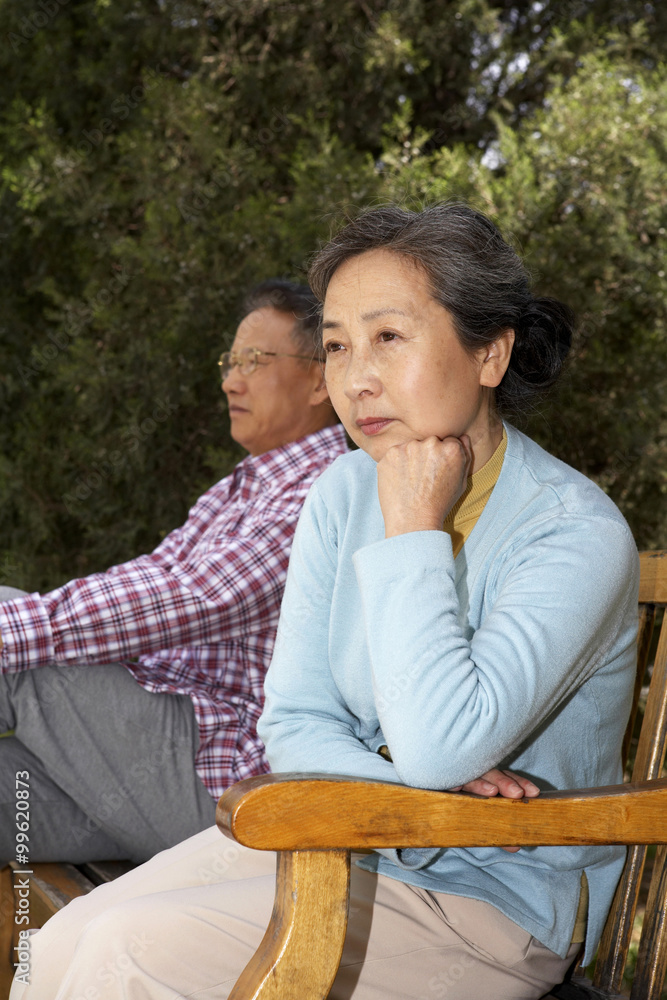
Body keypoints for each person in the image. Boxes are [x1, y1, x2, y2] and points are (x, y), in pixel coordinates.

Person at [11, 204, 639, 1000]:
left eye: (388, 337)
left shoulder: (572, 535)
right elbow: (293, 722)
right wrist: (418, 783)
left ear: (489, 353)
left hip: (488, 900)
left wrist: (415, 528)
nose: (355, 378)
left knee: (122, 954)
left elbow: (440, 747)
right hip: (333, 841)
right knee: (64, 940)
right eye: (338, 345)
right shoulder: (342, 491)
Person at [0, 279, 348, 864]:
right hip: (143, 773)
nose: (230, 380)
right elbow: (149, 576)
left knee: (21, 649)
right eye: (230, 362)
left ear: (320, 378)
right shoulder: (241, 487)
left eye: (253, 362)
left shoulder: (329, 490)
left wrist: (25, 623)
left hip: (221, 789)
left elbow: (199, 597)